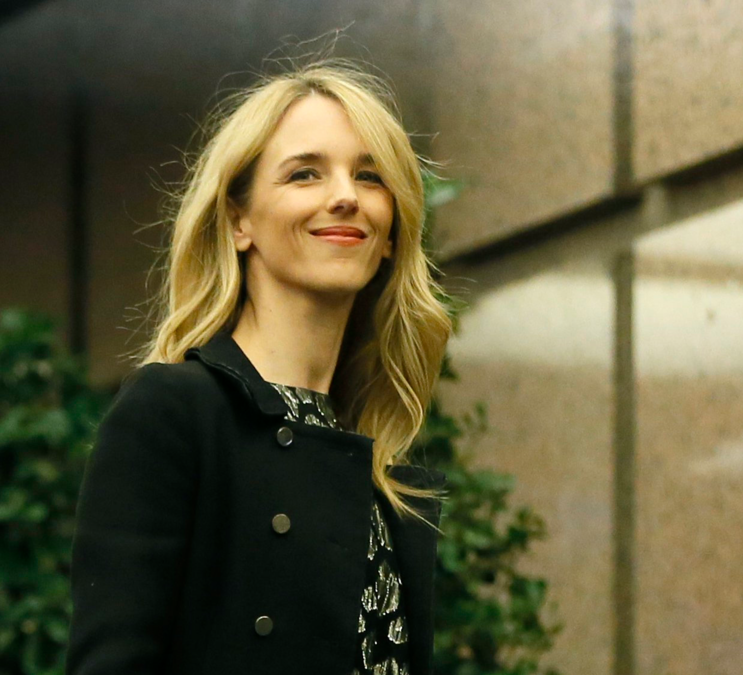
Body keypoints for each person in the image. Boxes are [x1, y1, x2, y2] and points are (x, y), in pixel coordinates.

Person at [66, 57, 454, 675]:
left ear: (390, 235)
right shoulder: (172, 410)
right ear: (238, 220)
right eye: (305, 174)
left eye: (370, 176)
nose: (346, 196)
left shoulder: (374, 460)